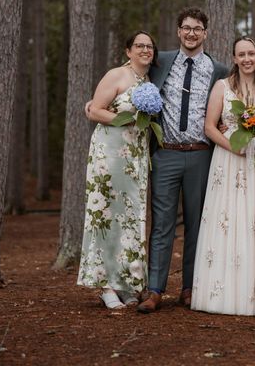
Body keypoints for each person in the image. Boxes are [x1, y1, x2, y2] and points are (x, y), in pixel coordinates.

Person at [137, 7, 229, 313]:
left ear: (205, 33)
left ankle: (191, 288)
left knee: (197, 224)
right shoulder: (159, 61)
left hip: (201, 155)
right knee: (161, 225)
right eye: (186, 28)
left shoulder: (219, 70)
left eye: (197, 29)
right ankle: (154, 290)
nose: (191, 33)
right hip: (166, 155)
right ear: (179, 31)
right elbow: (130, 73)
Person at [190, 36, 255, 317]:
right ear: (234, 58)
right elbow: (209, 127)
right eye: (241, 54)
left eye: (251, 54)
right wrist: (235, 148)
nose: (246, 59)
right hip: (229, 160)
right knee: (230, 219)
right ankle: (224, 294)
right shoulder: (223, 87)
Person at [77, 31, 158, 309]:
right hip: (109, 154)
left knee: (130, 219)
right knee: (107, 215)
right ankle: (105, 285)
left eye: (149, 46)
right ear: (128, 51)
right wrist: (126, 120)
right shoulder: (116, 75)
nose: (145, 50)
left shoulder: (147, 81)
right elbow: (95, 110)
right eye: (139, 46)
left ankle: (126, 282)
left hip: (134, 158)